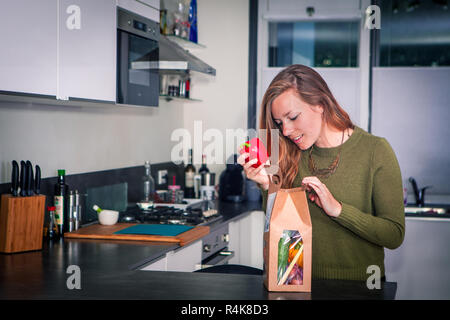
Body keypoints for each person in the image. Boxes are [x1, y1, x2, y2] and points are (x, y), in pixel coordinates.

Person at [238, 64, 405, 281]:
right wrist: (266, 185)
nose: (286, 131)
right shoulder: (288, 153)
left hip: (359, 288)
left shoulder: (375, 151)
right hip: (295, 283)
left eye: (293, 117)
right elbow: (281, 229)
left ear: (320, 104)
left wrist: (337, 210)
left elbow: (394, 235)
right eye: (280, 123)